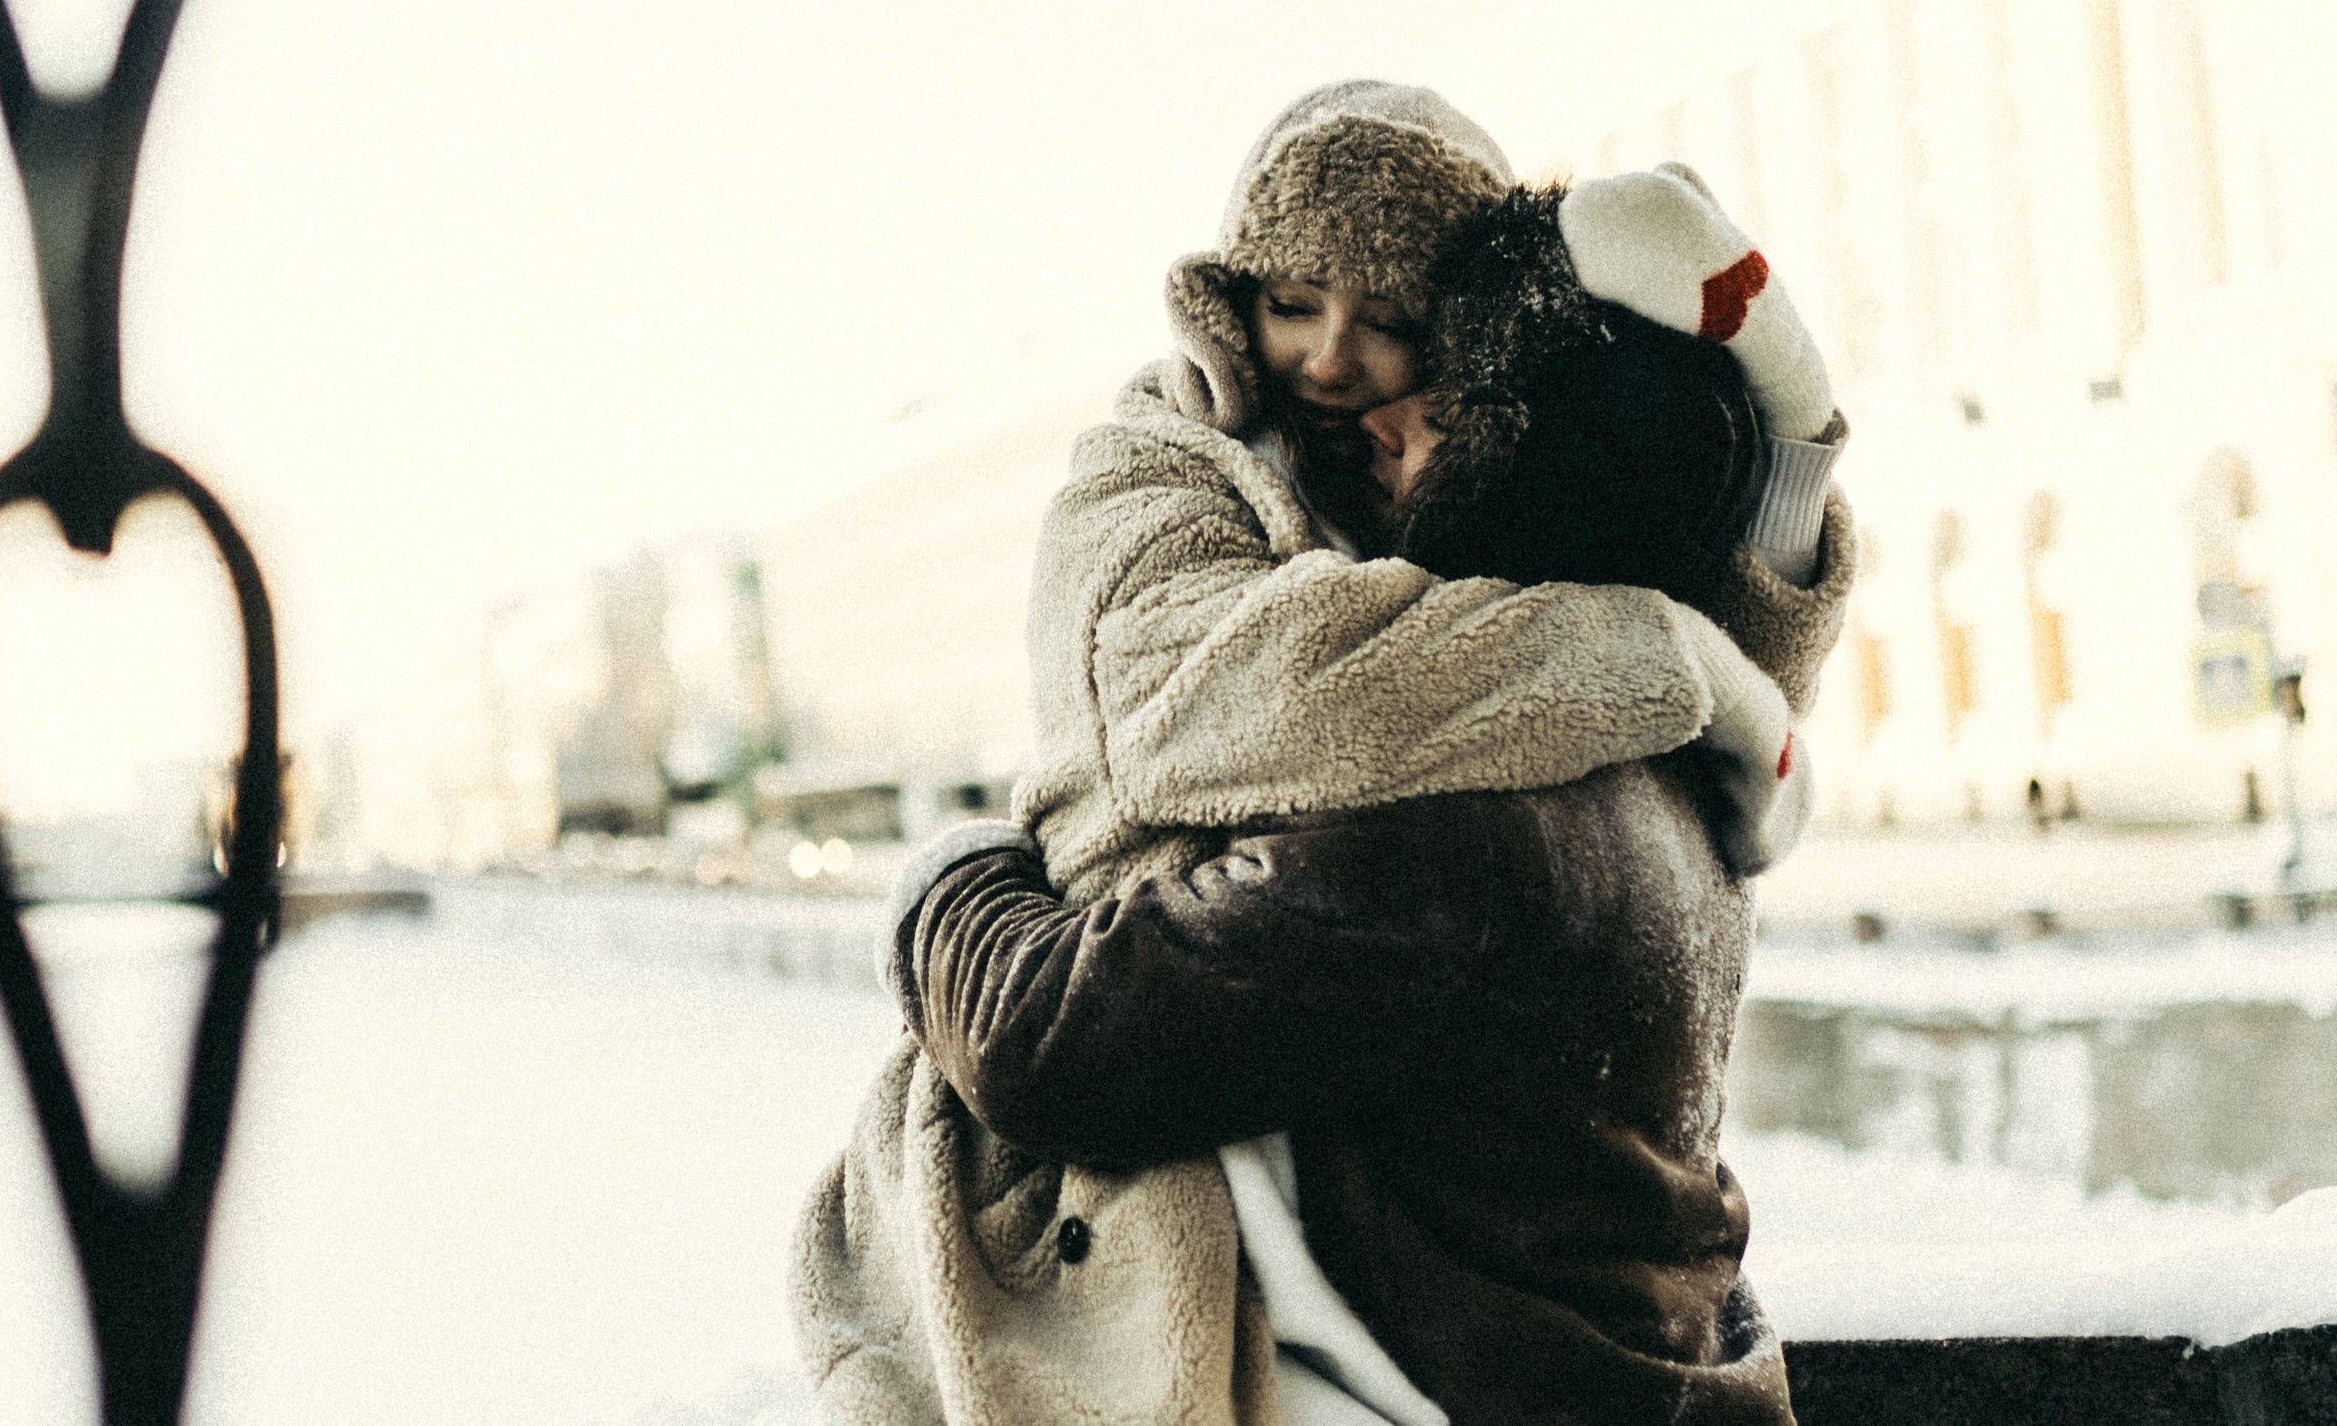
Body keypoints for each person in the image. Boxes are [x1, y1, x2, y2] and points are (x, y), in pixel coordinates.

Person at [791, 82, 1848, 1425]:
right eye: (1293, 304)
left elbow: (1051, 1039)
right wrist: (1685, 651)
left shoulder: (1460, 813)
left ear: (1489, 403)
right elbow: (1210, 695)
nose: (1340, 369)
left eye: (1402, 337)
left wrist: (951, 885)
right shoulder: (1161, 473)